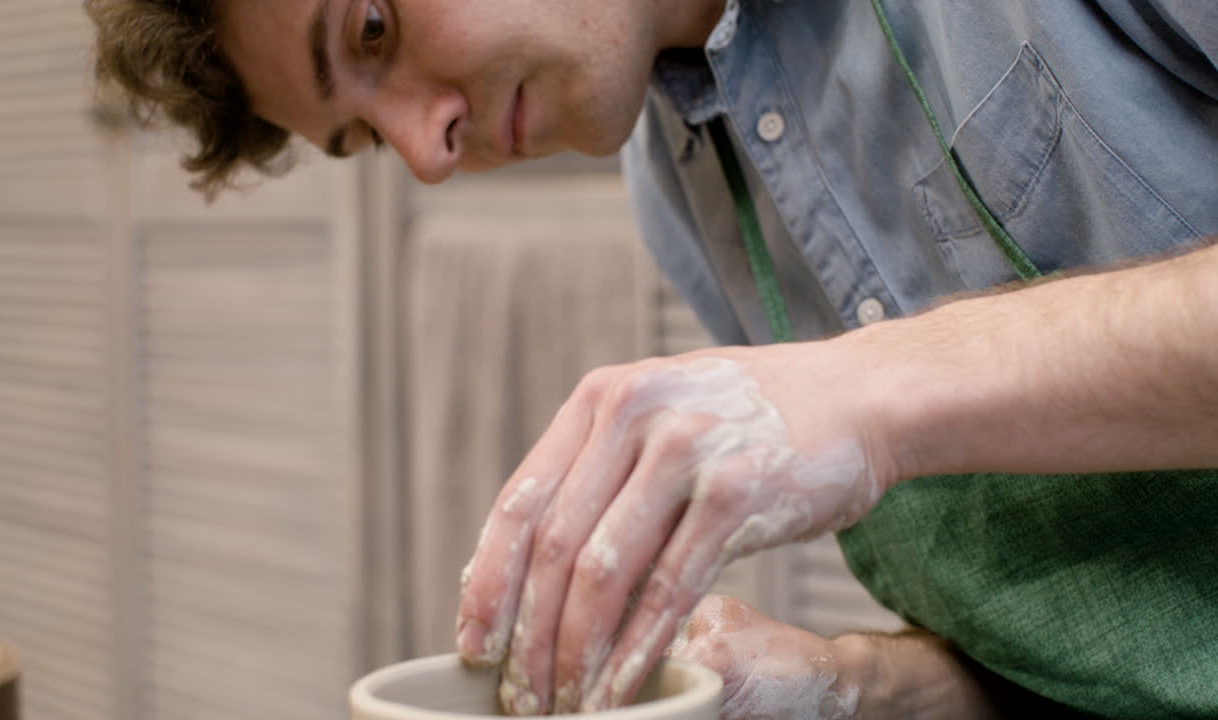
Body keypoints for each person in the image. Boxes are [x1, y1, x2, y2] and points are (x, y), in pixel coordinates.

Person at [84, 0, 1218, 717]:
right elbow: (1118, 635)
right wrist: (866, 690)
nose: (421, 155)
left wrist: (870, 394)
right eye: (358, 136)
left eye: (373, 31)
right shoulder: (676, 187)